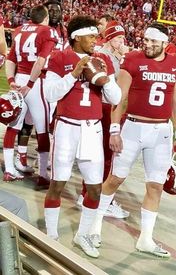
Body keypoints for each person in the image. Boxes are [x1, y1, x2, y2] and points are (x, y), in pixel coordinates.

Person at [90, 22, 176, 258]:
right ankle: (93, 226)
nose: (149, 44)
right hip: (133, 127)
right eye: (146, 40)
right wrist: (114, 129)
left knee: (155, 186)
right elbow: (118, 98)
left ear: (165, 42)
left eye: (154, 41)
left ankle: (145, 239)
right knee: (115, 179)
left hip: (162, 132)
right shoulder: (132, 60)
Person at [43, 15, 121, 258]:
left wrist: (105, 80)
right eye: (91, 36)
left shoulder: (102, 59)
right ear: (77, 38)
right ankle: (51, 235)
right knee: (58, 183)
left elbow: (116, 98)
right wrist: (74, 74)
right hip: (66, 127)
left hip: (92, 129)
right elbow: (50, 94)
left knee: (95, 188)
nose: (95, 40)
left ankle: (83, 234)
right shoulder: (59, 57)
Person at [77, 20, 129, 219]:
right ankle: (94, 196)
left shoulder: (108, 54)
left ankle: (88, 194)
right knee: (107, 155)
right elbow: (112, 86)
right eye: (117, 38)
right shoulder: (104, 56)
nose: (121, 41)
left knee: (101, 155)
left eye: (122, 37)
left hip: (105, 107)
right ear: (109, 38)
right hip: (106, 108)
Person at [15, 0, 69, 178]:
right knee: (28, 122)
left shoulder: (64, 32)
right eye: (51, 10)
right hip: (38, 78)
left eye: (58, 10)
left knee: (49, 123)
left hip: (54, 81)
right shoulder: (41, 30)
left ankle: (42, 159)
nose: (55, 13)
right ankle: (21, 155)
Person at [3, 5, 57, 182]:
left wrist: (12, 81)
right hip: (35, 82)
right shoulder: (47, 31)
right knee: (42, 129)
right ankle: (42, 174)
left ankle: (10, 169)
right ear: (46, 17)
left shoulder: (19, 30)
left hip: (18, 79)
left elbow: (10, 58)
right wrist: (31, 83)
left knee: (13, 126)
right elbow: (41, 60)